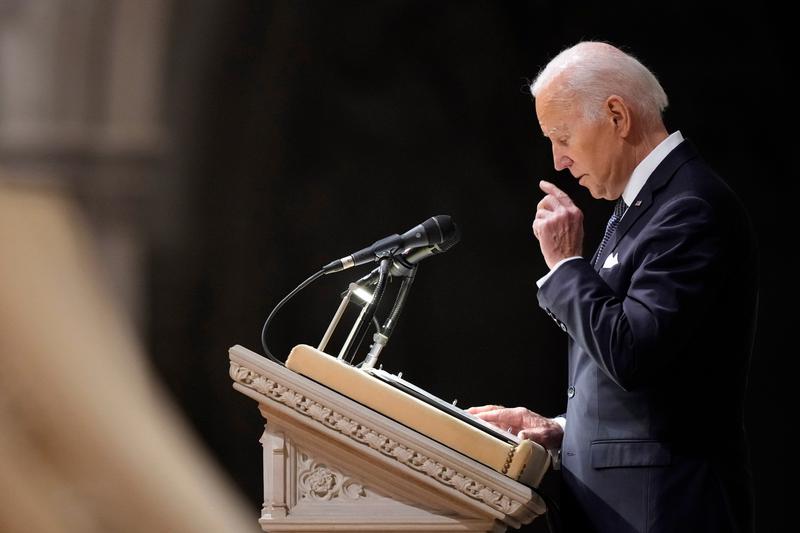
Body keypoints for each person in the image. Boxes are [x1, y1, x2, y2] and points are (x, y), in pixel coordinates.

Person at [468, 42, 757, 533]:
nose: (558, 160)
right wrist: (560, 430)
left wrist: (564, 266)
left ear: (617, 116)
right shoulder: (645, 205)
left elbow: (630, 352)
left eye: (562, 136)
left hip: (664, 512)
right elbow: (655, 390)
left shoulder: (689, 207)